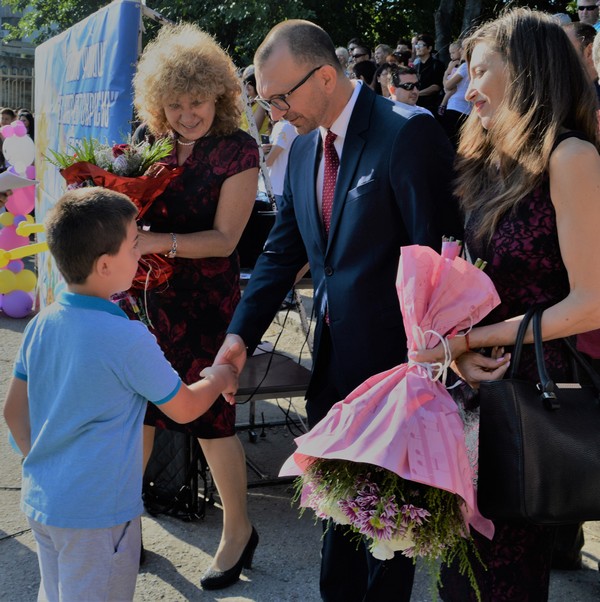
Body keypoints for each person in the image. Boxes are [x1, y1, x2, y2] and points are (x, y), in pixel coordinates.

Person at [214, 19, 463, 602]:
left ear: (325, 76)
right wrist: (238, 338)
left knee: (387, 542)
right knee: (340, 530)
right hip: (332, 375)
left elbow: (440, 257)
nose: (274, 111)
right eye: (265, 99)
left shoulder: (406, 135)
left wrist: (435, 372)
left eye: (280, 96)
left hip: (397, 380)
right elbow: (282, 255)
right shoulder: (303, 150)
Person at [412, 9, 600, 600]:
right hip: (478, 387)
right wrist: (457, 357)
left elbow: (592, 304)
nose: (467, 89)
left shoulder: (571, 159)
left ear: (527, 71)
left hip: (531, 395)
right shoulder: (491, 163)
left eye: (480, 70)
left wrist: (471, 343)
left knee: (502, 579)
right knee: (458, 573)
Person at [2, 187, 239, 602]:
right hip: (97, 515)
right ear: (106, 264)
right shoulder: (126, 337)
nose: (141, 253)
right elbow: (184, 408)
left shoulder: (43, 322)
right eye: (135, 245)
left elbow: (13, 411)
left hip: (44, 500)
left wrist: (44, 466)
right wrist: (218, 377)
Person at [130, 23, 260, 590]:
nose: (188, 113)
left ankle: (238, 531)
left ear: (219, 93)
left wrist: (156, 243)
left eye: (198, 100)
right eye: (176, 103)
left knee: (210, 418)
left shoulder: (238, 149)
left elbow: (227, 240)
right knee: (141, 413)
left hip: (208, 302)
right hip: (150, 298)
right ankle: (123, 527)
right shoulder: (145, 141)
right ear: (159, 103)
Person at [240, 65, 270, 136]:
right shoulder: (249, 101)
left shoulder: (262, 102)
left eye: (250, 81)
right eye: (245, 81)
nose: (246, 85)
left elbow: (254, 129)